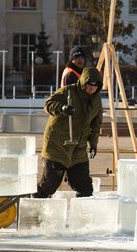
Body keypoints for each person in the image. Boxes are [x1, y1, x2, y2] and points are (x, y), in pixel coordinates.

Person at [33, 67, 103, 198]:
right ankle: (32, 211)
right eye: (88, 86)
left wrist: (93, 144)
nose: (91, 89)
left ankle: (83, 215)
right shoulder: (68, 91)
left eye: (94, 87)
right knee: (49, 184)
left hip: (78, 149)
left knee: (84, 186)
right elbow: (48, 105)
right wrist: (62, 108)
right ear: (83, 83)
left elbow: (96, 124)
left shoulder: (96, 101)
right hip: (57, 145)